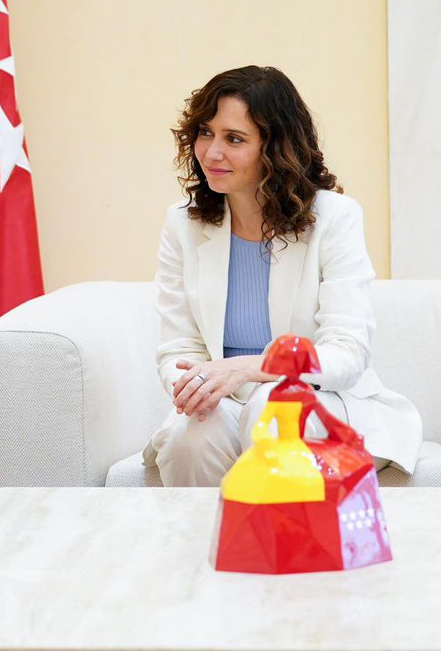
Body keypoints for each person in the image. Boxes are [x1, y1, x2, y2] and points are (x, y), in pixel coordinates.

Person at [143, 65, 421, 486]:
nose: (212, 152)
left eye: (234, 139)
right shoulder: (183, 223)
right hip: (226, 399)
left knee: (273, 410)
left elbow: (346, 354)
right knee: (190, 438)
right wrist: (194, 385)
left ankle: (279, 552)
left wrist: (250, 369)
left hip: (319, 399)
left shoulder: (334, 218)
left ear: (275, 148)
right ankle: (201, 550)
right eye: (205, 132)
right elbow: (178, 345)